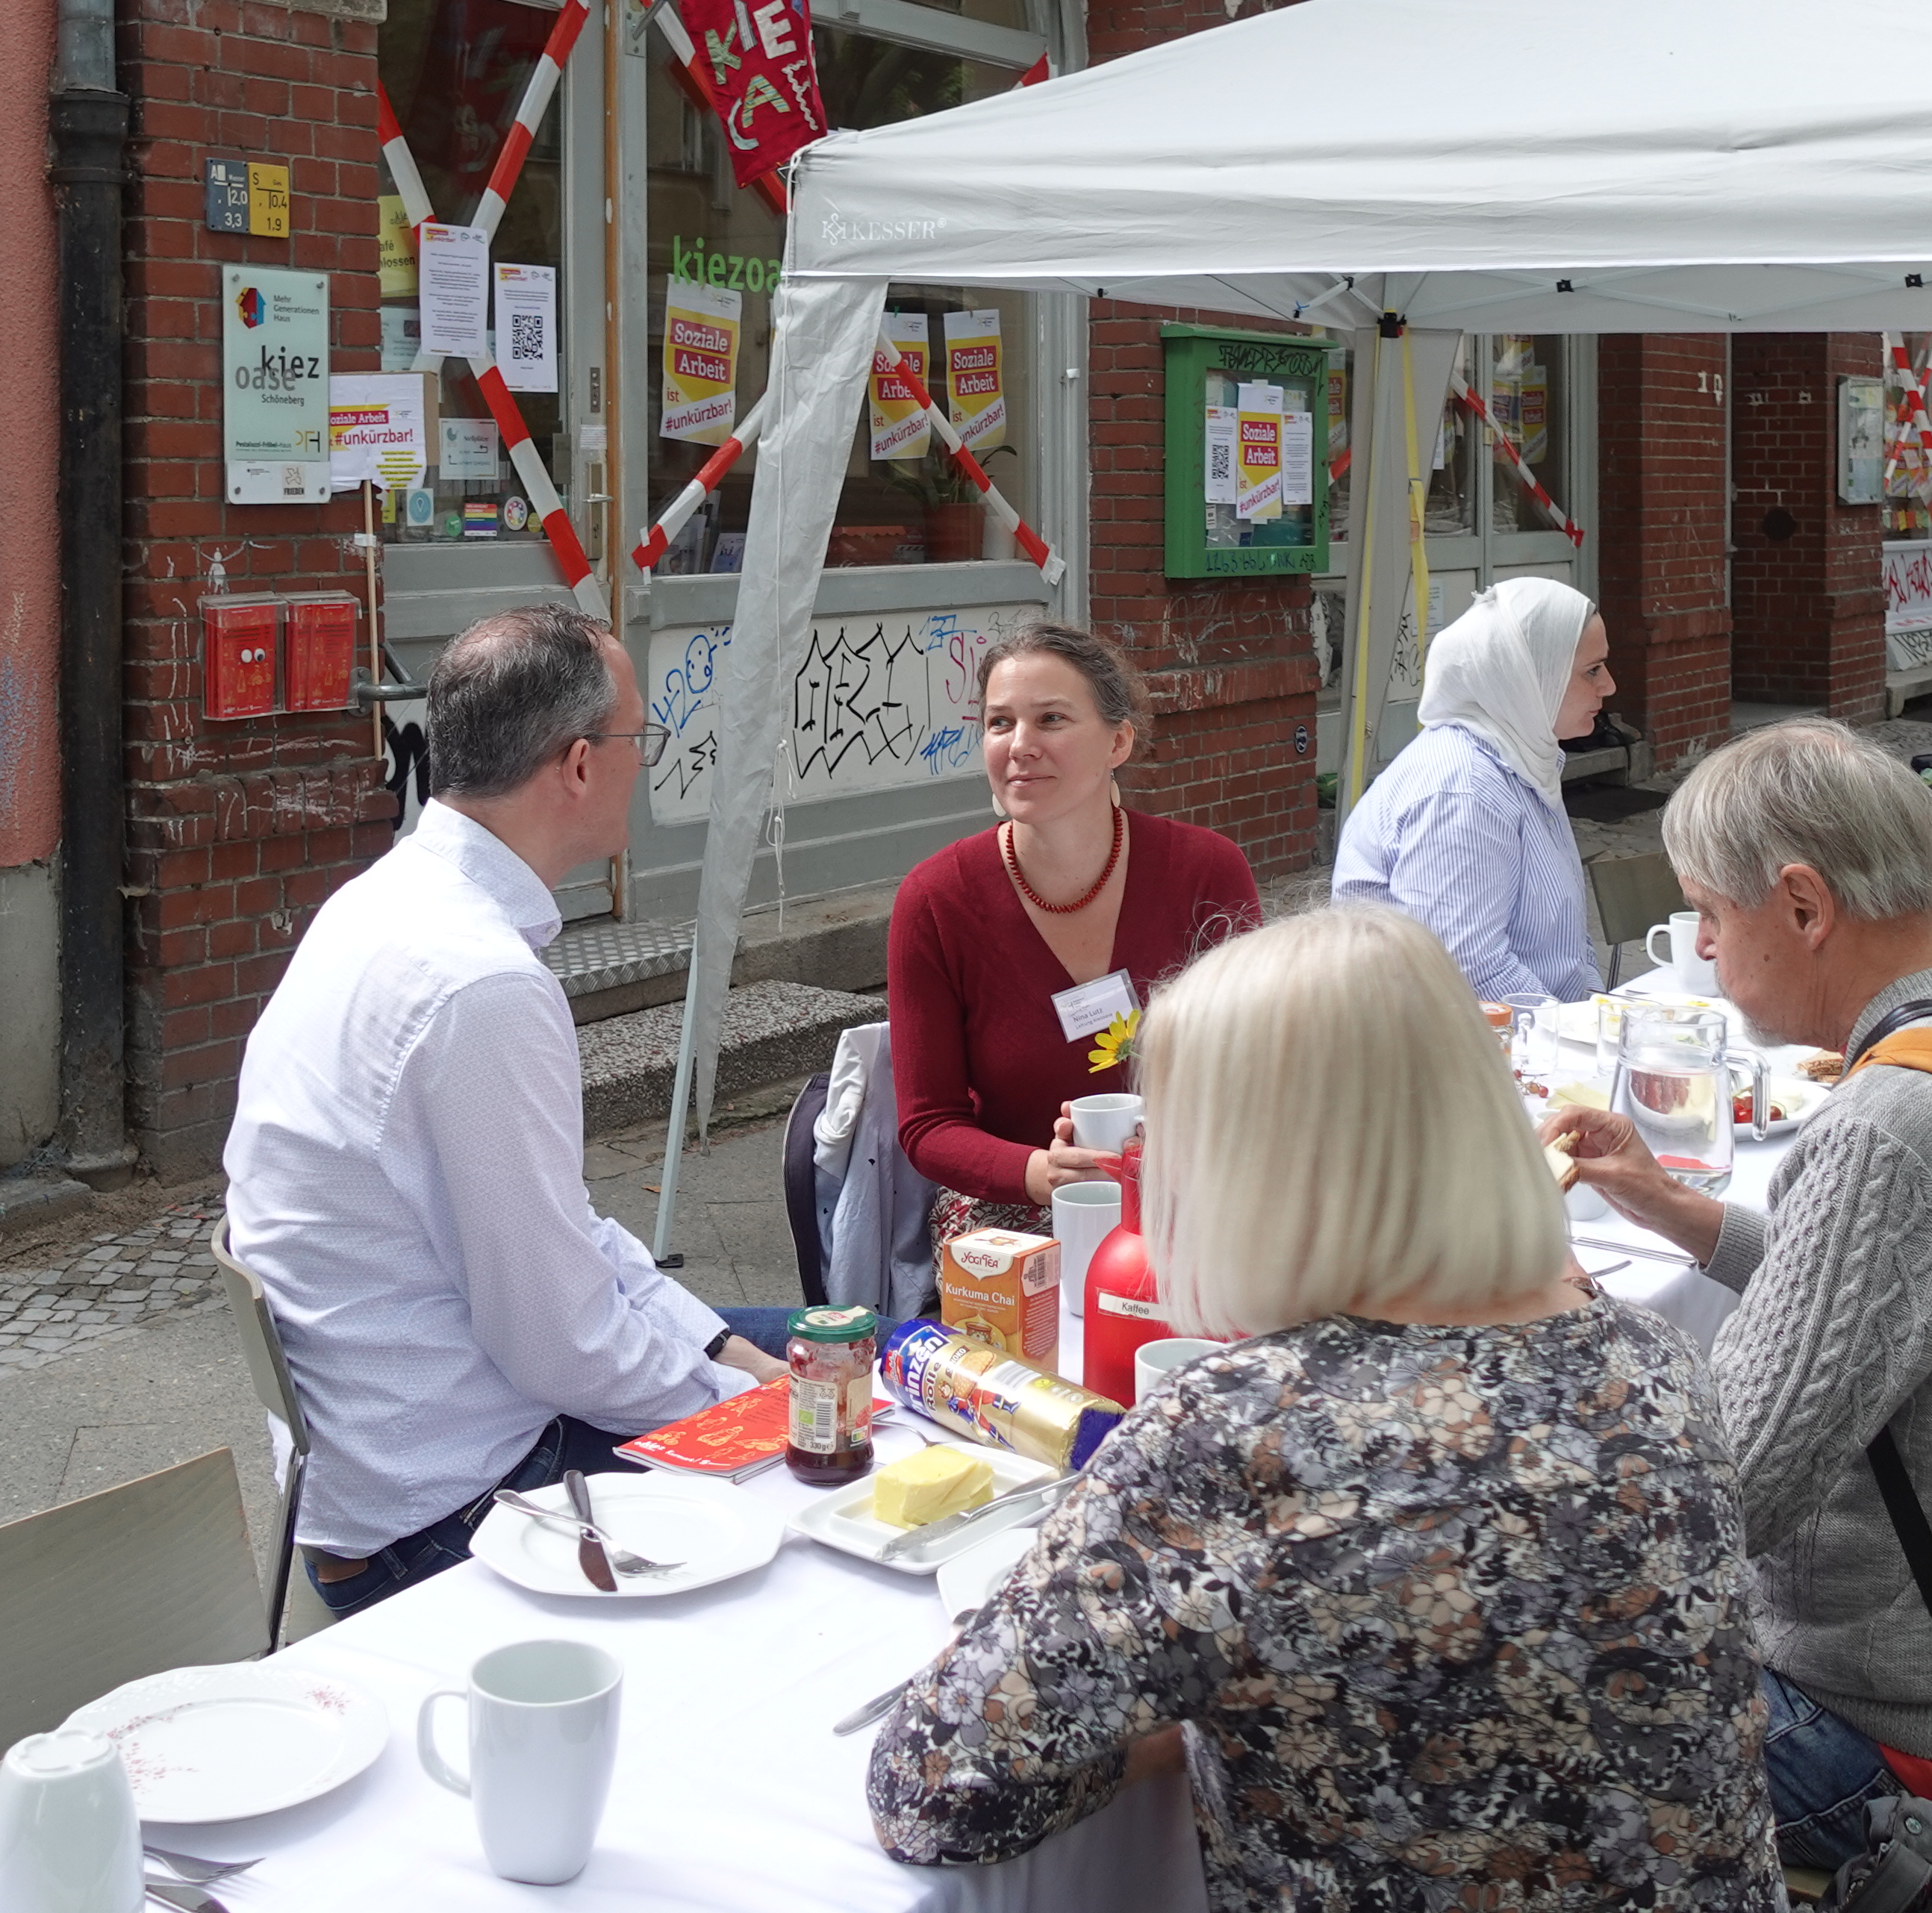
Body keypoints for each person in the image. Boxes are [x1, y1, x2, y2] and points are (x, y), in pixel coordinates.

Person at [870, 905, 1777, 1909]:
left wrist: (1166, 1732)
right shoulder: (1649, 1354)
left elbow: (930, 1786)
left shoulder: (1237, 1431)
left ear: (1249, 1170)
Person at [1544, 721, 1932, 1870]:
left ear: (1805, 907)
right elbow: (1910, 1289)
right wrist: (1677, 1212)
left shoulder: (1888, 1133)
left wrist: (1564, 1322)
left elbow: (1709, 1510)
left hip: (1925, 1741)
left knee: (1487, 1699)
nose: (1709, 952)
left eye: (1712, 919)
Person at [223, 605, 798, 1616]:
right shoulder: (478, 982)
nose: (644, 763)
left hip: (398, 1453)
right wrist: (751, 1405)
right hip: (453, 1507)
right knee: (860, 1405)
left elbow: (554, 1238)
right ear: (579, 765)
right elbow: (559, 1341)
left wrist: (715, 1347)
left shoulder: (385, 901)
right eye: (638, 740)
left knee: (832, 1350)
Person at [886, 622, 1260, 1242]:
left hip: (1193, 1190)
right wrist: (1042, 1171)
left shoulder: (1206, 871)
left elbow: (1259, 1063)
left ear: (1118, 742)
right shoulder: (935, 900)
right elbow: (928, 1126)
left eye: (1051, 720)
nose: (1020, 746)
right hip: (1018, 1211)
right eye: (1000, 723)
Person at [1330, 574, 1617, 1002]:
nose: (1609, 685)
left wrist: (1596, 1011)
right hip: (1457, 1055)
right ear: (1527, 675)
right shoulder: (1463, 789)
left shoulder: (1522, 759)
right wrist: (1573, 1036)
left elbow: (1567, 948)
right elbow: (1466, 968)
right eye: (1591, 670)